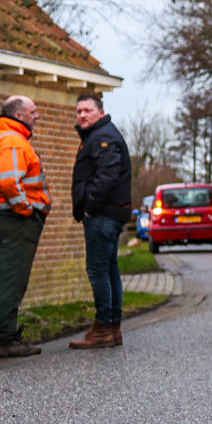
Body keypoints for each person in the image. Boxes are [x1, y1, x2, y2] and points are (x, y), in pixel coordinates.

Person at [0, 95, 50, 358]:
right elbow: (9, 182)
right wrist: (26, 209)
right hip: (15, 220)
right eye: (33, 111)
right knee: (10, 281)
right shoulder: (14, 142)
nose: (37, 116)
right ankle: (4, 340)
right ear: (19, 115)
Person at [68, 92, 132, 350]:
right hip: (109, 212)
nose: (82, 115)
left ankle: (104, 326)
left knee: (97, 270)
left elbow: (107, 175)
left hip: (103, 214)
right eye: (79, 111)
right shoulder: (100, 134)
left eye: (87, 110)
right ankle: (112, 327)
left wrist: (90, 207)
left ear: (100, 112)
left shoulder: (103, 136)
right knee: (109, 268)